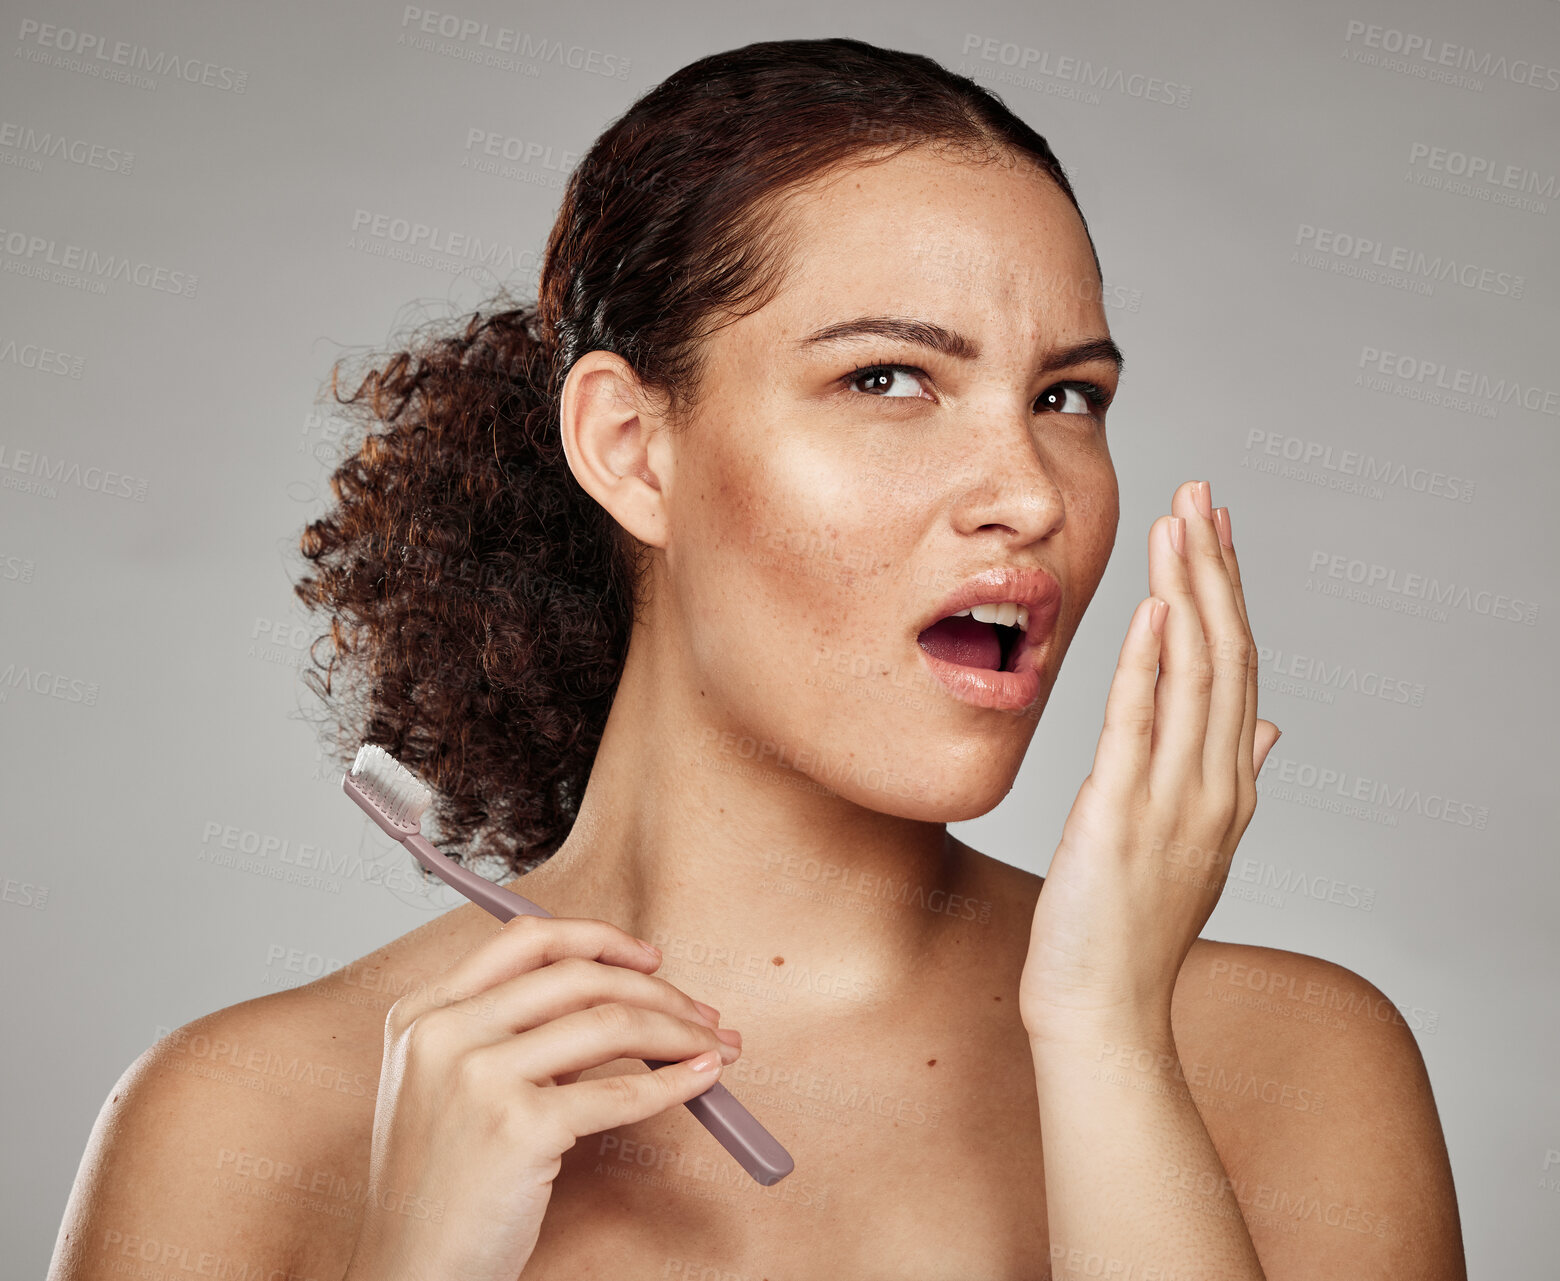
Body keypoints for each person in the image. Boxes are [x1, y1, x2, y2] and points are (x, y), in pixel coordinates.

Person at [49, 37, 1465, 1280]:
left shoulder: (1293, 1070)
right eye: (889, 378)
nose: (1032, 492)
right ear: (631, 448)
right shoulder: (235, 1125)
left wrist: (1104, 1040)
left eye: (1066, 396)